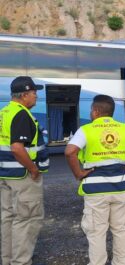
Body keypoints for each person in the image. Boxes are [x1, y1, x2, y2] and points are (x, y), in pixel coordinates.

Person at [65, 94, 125, 265]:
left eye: (91, 110)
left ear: (96, 111)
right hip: (121, 186)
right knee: (121, 229)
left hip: (96, 189)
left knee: (97, 231)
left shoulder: (86, 130)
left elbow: (70, 152)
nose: (90, 113)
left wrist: (79, 173)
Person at [0, 76, 49, 265]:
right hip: (23, 176)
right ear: (24, 95)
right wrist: (33, 169)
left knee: (8, 219)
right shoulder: (21, 114)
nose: (36, 97)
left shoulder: (4, 112)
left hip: (5, 175)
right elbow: (17, 148)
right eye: (34, 94)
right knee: (27, 219)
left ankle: (8, 260)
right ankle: (21, 262)